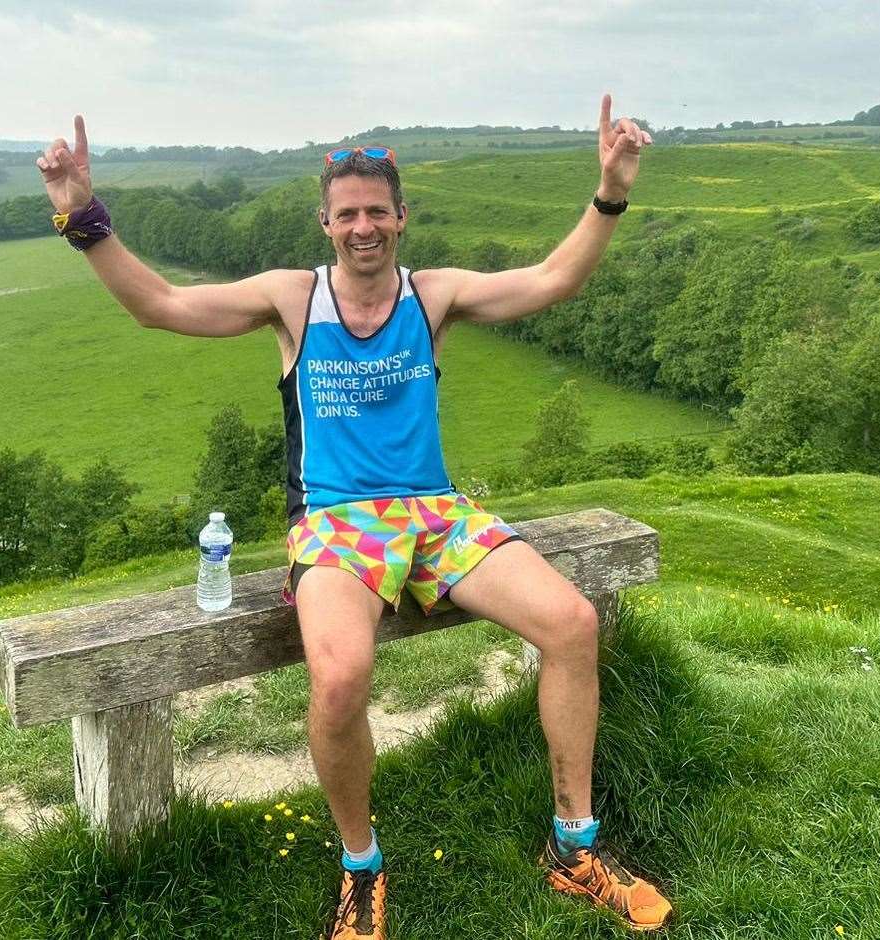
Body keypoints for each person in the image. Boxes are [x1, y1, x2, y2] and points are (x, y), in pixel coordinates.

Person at [37, 95, 670, 937]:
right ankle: (361, 867)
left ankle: (574, 849)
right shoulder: (292, 300)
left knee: (572, 623)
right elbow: (161, 305)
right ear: (325, 225)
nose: (363, 226)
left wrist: (611, 190)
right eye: (347, 215)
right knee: (338, 679)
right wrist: (83, 217)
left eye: (377, 210)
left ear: (401, 218)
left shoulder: (433, 295)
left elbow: (556, 280)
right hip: (335, 523)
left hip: (436, 513)